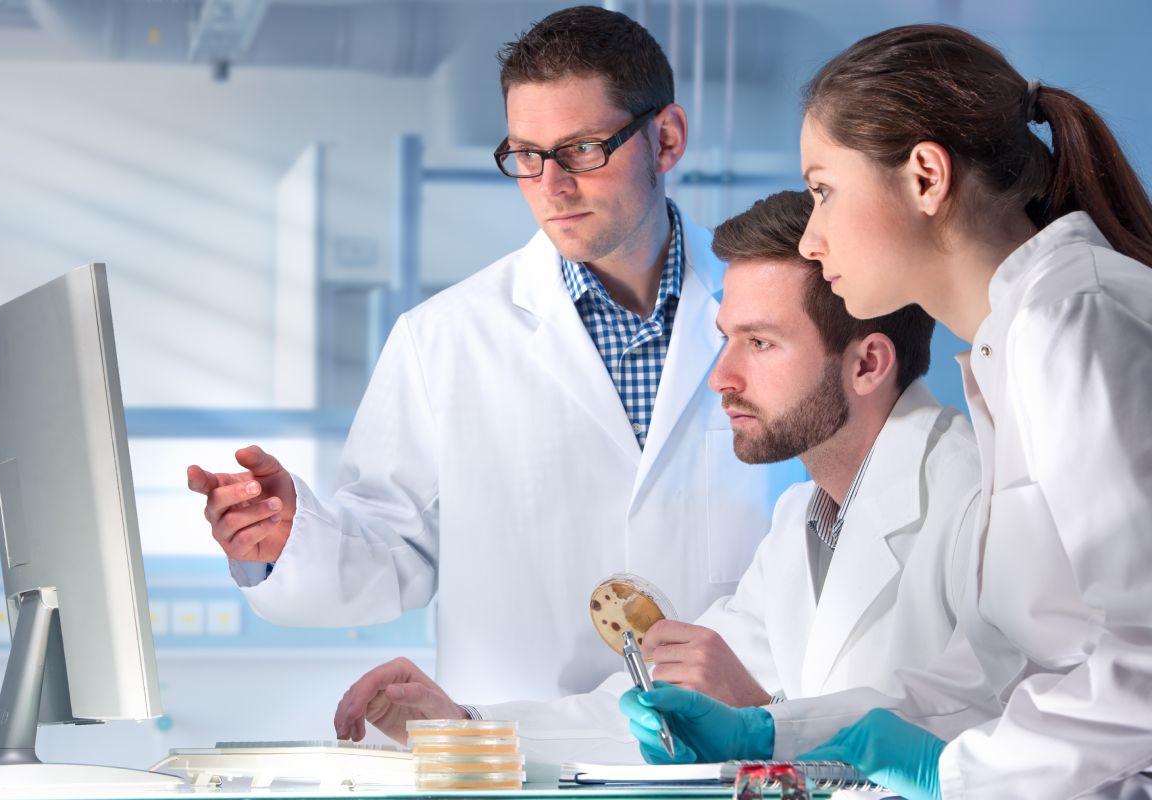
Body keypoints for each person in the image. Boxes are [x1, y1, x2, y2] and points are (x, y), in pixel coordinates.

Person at [625, 23, 1152, 800]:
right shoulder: (1013, 348)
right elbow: (995, 678)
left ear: (926, 178)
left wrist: (951, 773)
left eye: (823, 190)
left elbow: (1143, 661)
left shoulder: (1075, 321)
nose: (811, 236)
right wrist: (778, 731)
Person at [184, 6, 767, 705]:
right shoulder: (443, 341)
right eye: (527, 155)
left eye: (583, 149)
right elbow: (393, 545)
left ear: (665, 139)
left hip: (744, 747)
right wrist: (288, 542)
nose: (551, 187)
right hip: (523, 759)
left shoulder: (780, 314)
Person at [330, 191, 996, 765]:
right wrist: (461, 728)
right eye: (726, 338)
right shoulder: (802, 523)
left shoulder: (977, 501)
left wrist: (766, 725)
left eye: (760, 344)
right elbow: (661, 709)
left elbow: (1010, 740)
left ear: (868, 363)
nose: (721, 377)